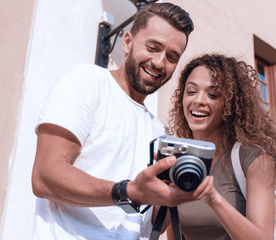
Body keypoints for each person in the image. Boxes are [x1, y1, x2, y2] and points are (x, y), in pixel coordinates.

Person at [31, 3, 197, 240]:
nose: (160, 63)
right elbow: (44, 176)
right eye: (153, 47)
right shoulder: (87, 83)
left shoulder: (160, 131)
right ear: (127, 42)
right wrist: (127, 191)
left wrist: (178, 191)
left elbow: (148, 224)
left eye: (172, 57)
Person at [166, 53, 276, 240]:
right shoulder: (180, 159)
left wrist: (213, 199)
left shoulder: (254, 157)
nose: (199, 100)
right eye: (191, 91)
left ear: (231, 103)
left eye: (213, 94)